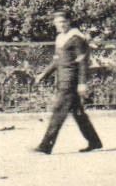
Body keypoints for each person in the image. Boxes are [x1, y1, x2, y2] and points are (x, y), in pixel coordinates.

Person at [33, 11, 103, 154]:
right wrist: (44, 74)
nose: (60, 25)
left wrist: (82, 83)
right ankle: (94, 142)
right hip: (62, 79)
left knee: (58, 111)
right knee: (78, 113)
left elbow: (83, 61)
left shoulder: (76, 38)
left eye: (63, 22)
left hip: (70, 80)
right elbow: (57, 60)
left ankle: (46, 145)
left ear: (69, 22)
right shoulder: (60, 38)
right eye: (58, 22)